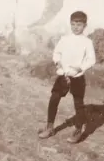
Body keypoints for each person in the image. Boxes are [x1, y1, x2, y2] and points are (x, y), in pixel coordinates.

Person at [39, 10, 96, 144]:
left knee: (78, 104)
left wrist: (80, 68)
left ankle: (78, 130)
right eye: (73, 24)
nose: (76, 27)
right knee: (54, 98)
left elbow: (91, 60)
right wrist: (58, 61)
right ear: (70, 24)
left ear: (85, 26)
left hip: (77, 77)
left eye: (79, 25)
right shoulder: (64, 39)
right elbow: (57, 53)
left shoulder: (87, 42)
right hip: (63, 75)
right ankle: (49, 127)